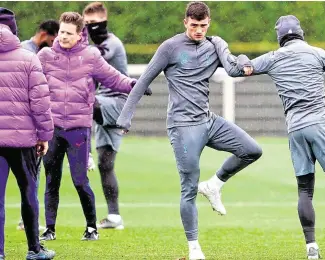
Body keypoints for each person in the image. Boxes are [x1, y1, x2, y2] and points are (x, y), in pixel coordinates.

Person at [211, 15, 325, 259]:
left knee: (305, 189)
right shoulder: (317, 54)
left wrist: (233, 52)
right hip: (320, 124)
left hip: (296, 128)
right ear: (301, 34)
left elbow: (236, 69)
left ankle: (311, 248)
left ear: (280, 37)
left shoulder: (273, 58)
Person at [116, 2, 262, 259]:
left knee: (252, 150)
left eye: (203, 26)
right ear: (185, 22)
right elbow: (143, 82)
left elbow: (233, 68)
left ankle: (215, 184)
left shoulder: (213, 45)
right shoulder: (170, 48)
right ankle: (194, 248)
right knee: (189, 188)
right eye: (194, 25)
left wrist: (244, 59)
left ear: (209, 23)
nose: (198, 30)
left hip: (209, 121)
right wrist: (125, 117)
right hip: (183, 128)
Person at [37, 11, 145, 241]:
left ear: (79, 35)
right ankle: (49, 229)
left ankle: (91, 227)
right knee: (51, 180)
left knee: (80, 180)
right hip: (52, 129)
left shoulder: (90, 56)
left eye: (68, 33)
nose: (63, 37)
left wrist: (136, 85)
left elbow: (114, 78)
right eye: (62, 32)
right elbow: (29, 80)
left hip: (78, 129)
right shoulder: (45, 55)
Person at [0, 7, 55, 259]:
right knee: (28, 193)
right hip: (23, 142)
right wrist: (44, 135)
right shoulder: (28, 58)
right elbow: (40, 103)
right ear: (14, 30)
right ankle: (34, 249)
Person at [83, 1, 131, 229]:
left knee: (79, 101)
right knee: (106, 164)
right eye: (87, 23)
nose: (91, 27)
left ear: (104, 22)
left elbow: (92, 61)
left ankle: (83, 152)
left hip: (117, 103)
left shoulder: (111, 44)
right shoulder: (96, 45)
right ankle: (115, 217)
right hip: (104, 108)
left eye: (95, 23)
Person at [17, 19, 59, 232]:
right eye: (52, 40)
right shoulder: (29, 55)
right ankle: (27, 220)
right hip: (25, 126)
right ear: (44, 35)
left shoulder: (19, 50)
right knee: (30, 176)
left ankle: (25, 219)